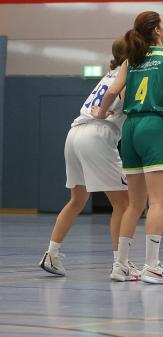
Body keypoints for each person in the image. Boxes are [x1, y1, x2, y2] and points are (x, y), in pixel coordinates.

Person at [94, 11, 163, 285]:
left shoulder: (132, 59)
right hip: (153, 125)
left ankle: (120, 265)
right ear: (157, 30)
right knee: (156, 201)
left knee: (134, 204)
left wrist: (100, 115)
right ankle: (152, 266)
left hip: (130, 129)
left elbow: (111, 92)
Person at [40, 38, 133, 278]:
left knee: (77, 200)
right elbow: (124, 99)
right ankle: (119, 263)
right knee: (123, 203)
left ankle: (51, 253)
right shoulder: (127, 74)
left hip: (74, 134)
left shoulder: (108, 74)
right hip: (97, 135)